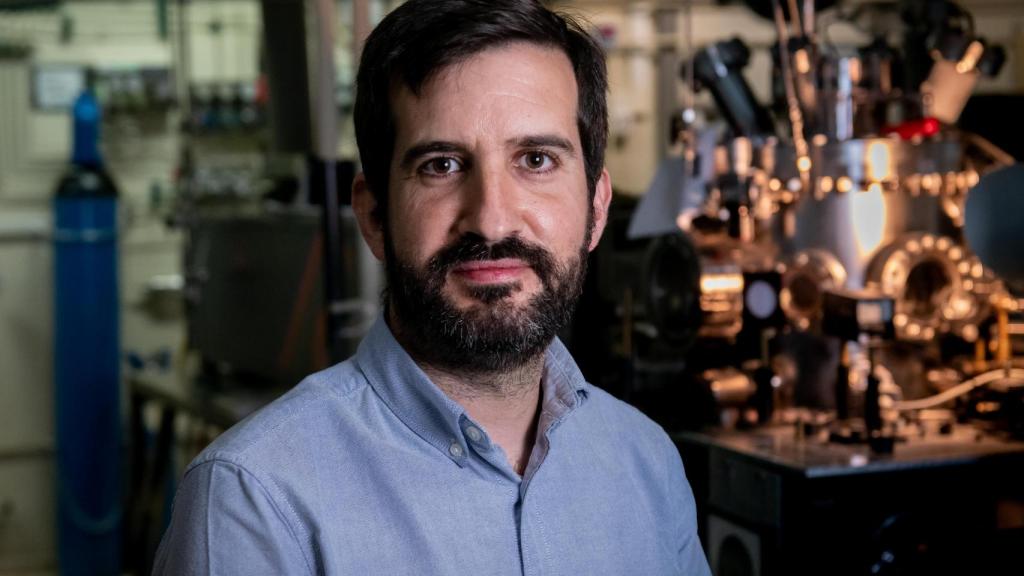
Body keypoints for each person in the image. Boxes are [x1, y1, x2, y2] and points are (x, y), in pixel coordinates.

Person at [153, 1, 711, 574]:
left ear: (596, 209)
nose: (491, 222)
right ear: (373, 216)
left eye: (536, 160)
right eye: (442, 165)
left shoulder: (645, 462)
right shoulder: (256, 502)